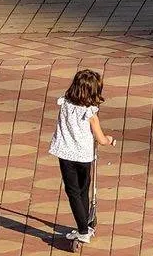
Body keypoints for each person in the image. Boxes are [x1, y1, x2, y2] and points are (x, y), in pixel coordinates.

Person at [49, 69, 115, 244]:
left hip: (65, 153)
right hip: (84, 156)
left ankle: (83, 228)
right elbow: (100, 139)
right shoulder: (91, 113)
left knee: (73, 191)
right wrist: (109, 140)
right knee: (83, 189)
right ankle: (84, 227)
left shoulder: (64, 104)